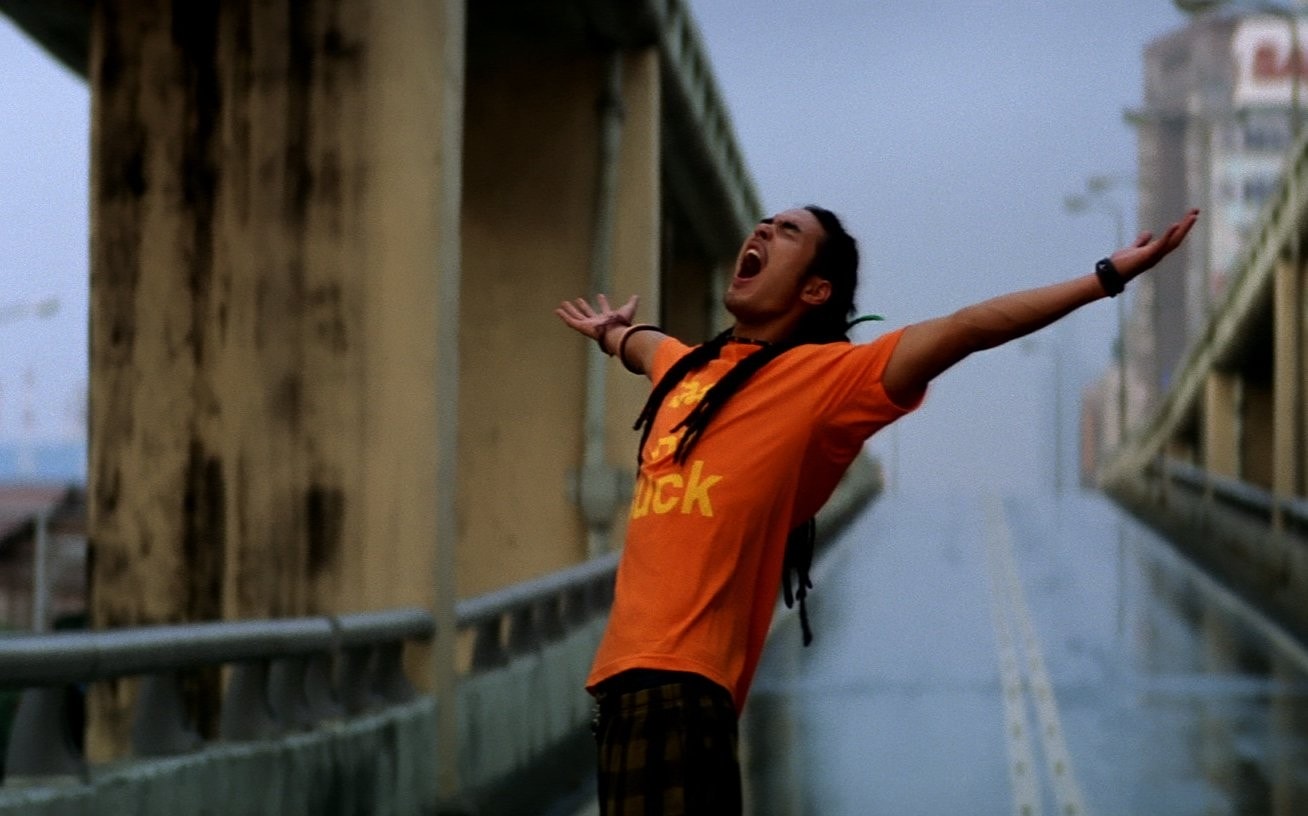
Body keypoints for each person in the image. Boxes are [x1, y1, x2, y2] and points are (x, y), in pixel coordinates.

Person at [555, 204, 1198, 815]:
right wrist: (614, 334)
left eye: (787, 231)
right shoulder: (687, 369)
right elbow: (648, 346)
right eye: (766, 223)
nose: (763, 229)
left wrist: (1104, 277)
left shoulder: (828, 378)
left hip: (679, 686)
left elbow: (969, 327)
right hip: (621, 686)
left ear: (816, 290)